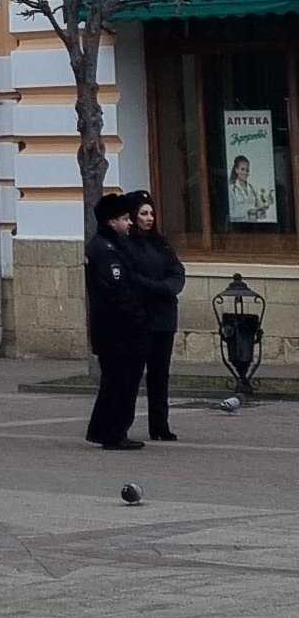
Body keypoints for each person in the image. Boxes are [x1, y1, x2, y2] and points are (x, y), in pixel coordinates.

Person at [84, 191, 147, 448]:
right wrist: (138, 316)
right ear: (112, 222)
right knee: (119, 383)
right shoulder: (105, 249)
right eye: (124, 218)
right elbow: (117, 291)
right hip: (116, 331)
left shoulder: (116, 245)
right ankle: (112, 433)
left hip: (119, 330)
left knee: (121, 382)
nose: (130, 222)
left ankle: (107, 430)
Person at [123, 190, 185, 443]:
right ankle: (121, 426)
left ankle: (160, 426)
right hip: (141, 319)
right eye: (143, 213)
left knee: (160, 375)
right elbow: (133, 278)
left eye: (151, 213)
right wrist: (159, 288)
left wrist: (169, 287)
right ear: (134, 216)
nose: (149, 218)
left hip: (164, 319)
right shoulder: (128, 245)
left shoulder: (161, 243)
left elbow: (177, 271)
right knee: (133, 375)